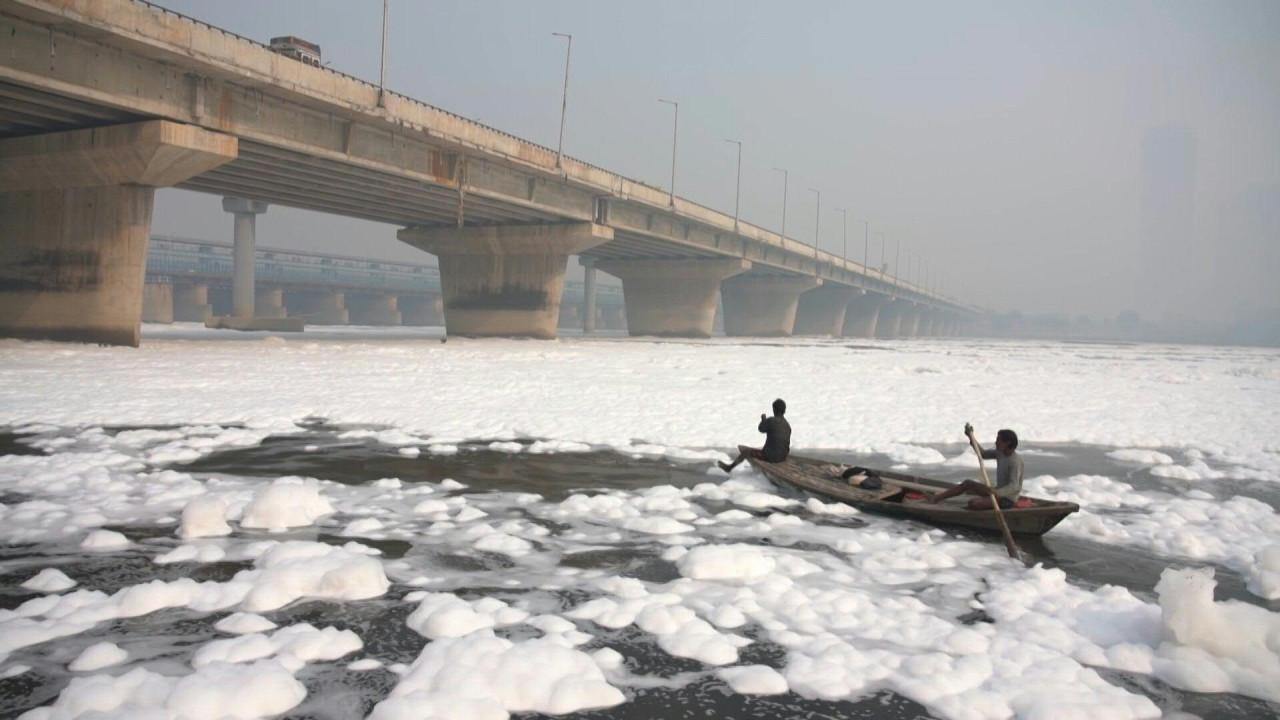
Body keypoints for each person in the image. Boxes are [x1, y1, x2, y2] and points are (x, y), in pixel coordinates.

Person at [926, 425, 1023, 510]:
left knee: (973, 503)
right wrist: (971, 437)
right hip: (996, 492)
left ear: (1007, 443)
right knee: (967, 484)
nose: (996, 442)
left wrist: (996, 492)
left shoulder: (1015, 461)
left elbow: (1013, 486)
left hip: (1007, 499)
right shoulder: (1000, 453)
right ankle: (935, 498)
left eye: (998, 440)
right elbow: (983, 454)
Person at [718, 398, 791, 472]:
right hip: (783, 457)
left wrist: (763, 419)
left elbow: (761, 429)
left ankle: (729, 468)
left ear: (774, 410)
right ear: (784, 411)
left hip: (771, 457)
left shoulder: (771, 420)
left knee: (746, 452)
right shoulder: (787, 425)